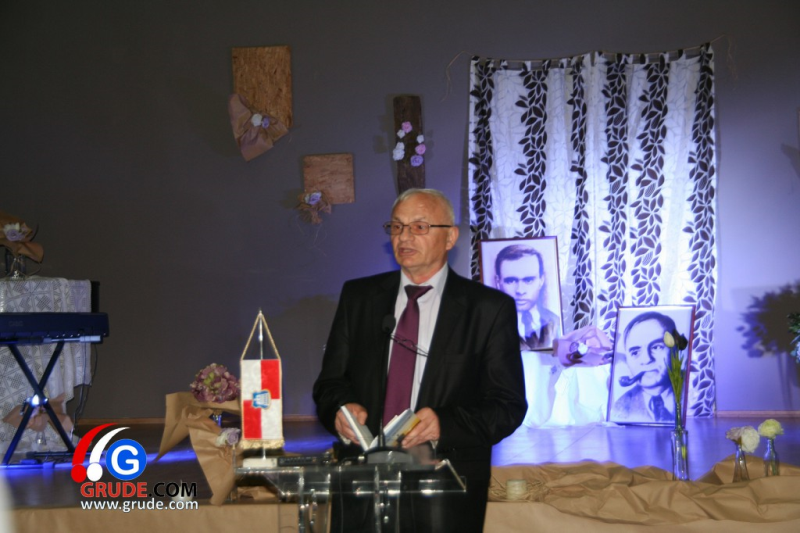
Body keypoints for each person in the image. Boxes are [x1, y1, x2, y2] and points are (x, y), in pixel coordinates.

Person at [313, 188, 527, 533]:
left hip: (444, 485)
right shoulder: (359, 298)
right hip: (363, 484)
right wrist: (340, 409)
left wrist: (445, 424)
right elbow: (329, 384)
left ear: (450, 237)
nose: (404, 236)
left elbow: (507, 406)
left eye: (419, 227)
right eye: (397, 227)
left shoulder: (488, 309)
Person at [610, 311, 677, 423]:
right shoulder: (621, 407)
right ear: (627, 361)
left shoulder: (693, 395)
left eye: (656, 347)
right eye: (635, 352)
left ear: (674, 349)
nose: (647, 360)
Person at [494, 244, 561, 351]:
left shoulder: (556, 321)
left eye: (529, 280)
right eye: (511, 281)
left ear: (541, 280)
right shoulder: (490, 327)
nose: (520, 291)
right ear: (498, 282)